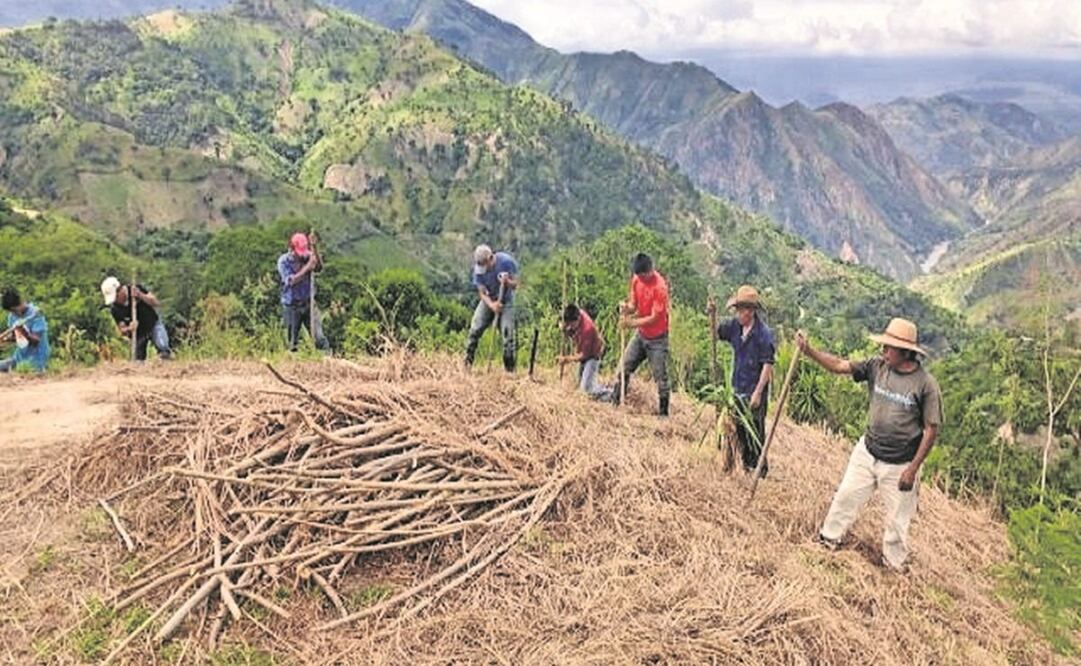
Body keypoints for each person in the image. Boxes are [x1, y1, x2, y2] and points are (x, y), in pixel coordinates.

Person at [796, 318, 943, 571]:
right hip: (867, 451)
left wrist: (913, 469)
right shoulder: (877, 367)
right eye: (884, 346)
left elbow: (931, 429)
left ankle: (893, 564)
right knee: (845, 496)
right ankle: (828, 540)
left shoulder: (925, 385)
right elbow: (840, 366)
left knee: (897, 520)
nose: (883, 351)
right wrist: (810, 351)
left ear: (906, 352)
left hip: (901, 464)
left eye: (889, 348)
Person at [708, 285, 775, 476]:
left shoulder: (763, 334)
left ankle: (759, 471)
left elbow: (767, 366)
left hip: (755, 389)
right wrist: (712, 315)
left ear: (750, 311)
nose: (738, 314)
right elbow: (717, 332)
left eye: (741, 310)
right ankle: (743, 466)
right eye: (737, 310)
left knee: (755, 430)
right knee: (738, 429)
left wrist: (758, 393)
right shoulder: (735, 327)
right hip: (737, 387)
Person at [611, 253, 670, 416]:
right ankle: (615, 402)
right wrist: (626, 308)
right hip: (641, 335)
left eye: (642, 276)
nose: (640, 279)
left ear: (649, 271)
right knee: (624, 367)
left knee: (661, 377)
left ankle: (664, 413)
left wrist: (631, 323)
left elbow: (654, 317)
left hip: (658, 338)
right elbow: (634, 305)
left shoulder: (660, 287)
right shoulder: (637, 280)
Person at [464, 244, 519, 372]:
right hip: (489, 301)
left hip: (506, 301)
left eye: (484, 264)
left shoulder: (506, 262)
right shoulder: (478, 271)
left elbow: (516, 284)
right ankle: (467, 364)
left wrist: (507, 282)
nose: (483, 268)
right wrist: (492, 305)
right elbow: (482, 292)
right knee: (474, 329)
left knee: (508, 336)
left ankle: (509, 371)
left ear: (490, 258)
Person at [277, 232, 328, 352]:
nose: (302, 255)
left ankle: (327, 362)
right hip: (292, 306)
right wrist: (307, 268)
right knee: (292, 343)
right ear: (291, 248)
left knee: (319, 338)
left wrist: (314, 247)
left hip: (309, 303)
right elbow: (291, 281)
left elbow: (319, 268)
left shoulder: (307, 256)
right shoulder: (284, 262)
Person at [102, 276, 172, 361]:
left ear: (120, 290)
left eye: (116, 297)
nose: (116, 301)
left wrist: (140, 295)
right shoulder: (115, 309)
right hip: (138, 335)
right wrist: (129, 329)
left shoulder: (135, 289)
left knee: (163, 347)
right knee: (137, 360)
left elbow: (155, 302)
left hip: (152, 324)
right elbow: (122, 329)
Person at [558, 304, 612, 400]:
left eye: (572, 324)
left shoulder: (588, 329)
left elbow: (583, 356)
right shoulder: (576, 313)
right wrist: (564, 328)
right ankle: (599, 388)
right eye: (568, 324)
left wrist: (566, 359)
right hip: (582, 351)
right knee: (581, 385)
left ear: (578, 319)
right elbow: (568, 328)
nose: (570, 326)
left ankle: (611, 393)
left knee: (585, 391)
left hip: (592, 355)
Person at [0, 288, 50, 373]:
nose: (13, 313)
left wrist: (23, 331)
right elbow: (15, 337)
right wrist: (4, 340)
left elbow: (36, 341)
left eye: (14, 311)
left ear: (18, 305)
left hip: (36, 360)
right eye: (11, 311)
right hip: (18, 358)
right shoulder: (12, 316)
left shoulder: (36, 314)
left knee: (24, 374)